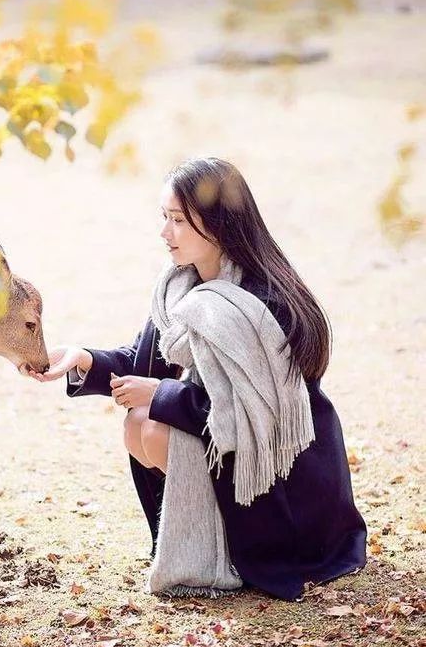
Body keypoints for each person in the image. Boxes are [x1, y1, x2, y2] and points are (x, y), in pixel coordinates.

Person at [28, 157, 367, 601]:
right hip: (237, 450)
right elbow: (143, 359)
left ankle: (240, 550)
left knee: (150, 424)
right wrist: (81, 359)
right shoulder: (181, 290)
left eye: (178, 221)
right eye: (164, 218)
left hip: (287, 477)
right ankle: (211, 545)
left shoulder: (265, 303)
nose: (165, 233)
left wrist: (162, 395)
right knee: (138, 425)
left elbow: (255, 417)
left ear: (219, 225)